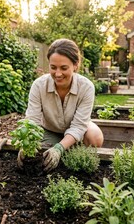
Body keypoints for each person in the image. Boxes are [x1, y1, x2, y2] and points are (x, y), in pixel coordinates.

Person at [17, 38, 104, 172]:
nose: (58, 74)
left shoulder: (86, 87)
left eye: (64, 68)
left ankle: (74, 150)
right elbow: (32, 120)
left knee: (95, 137)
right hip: (49, 130)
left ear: (75, 65)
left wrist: (59, 148)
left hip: (77, 131)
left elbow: (79, 125)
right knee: (41, 153)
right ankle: (62, 147)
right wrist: (25, 145)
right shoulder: (39, 85)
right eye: (53, 67)